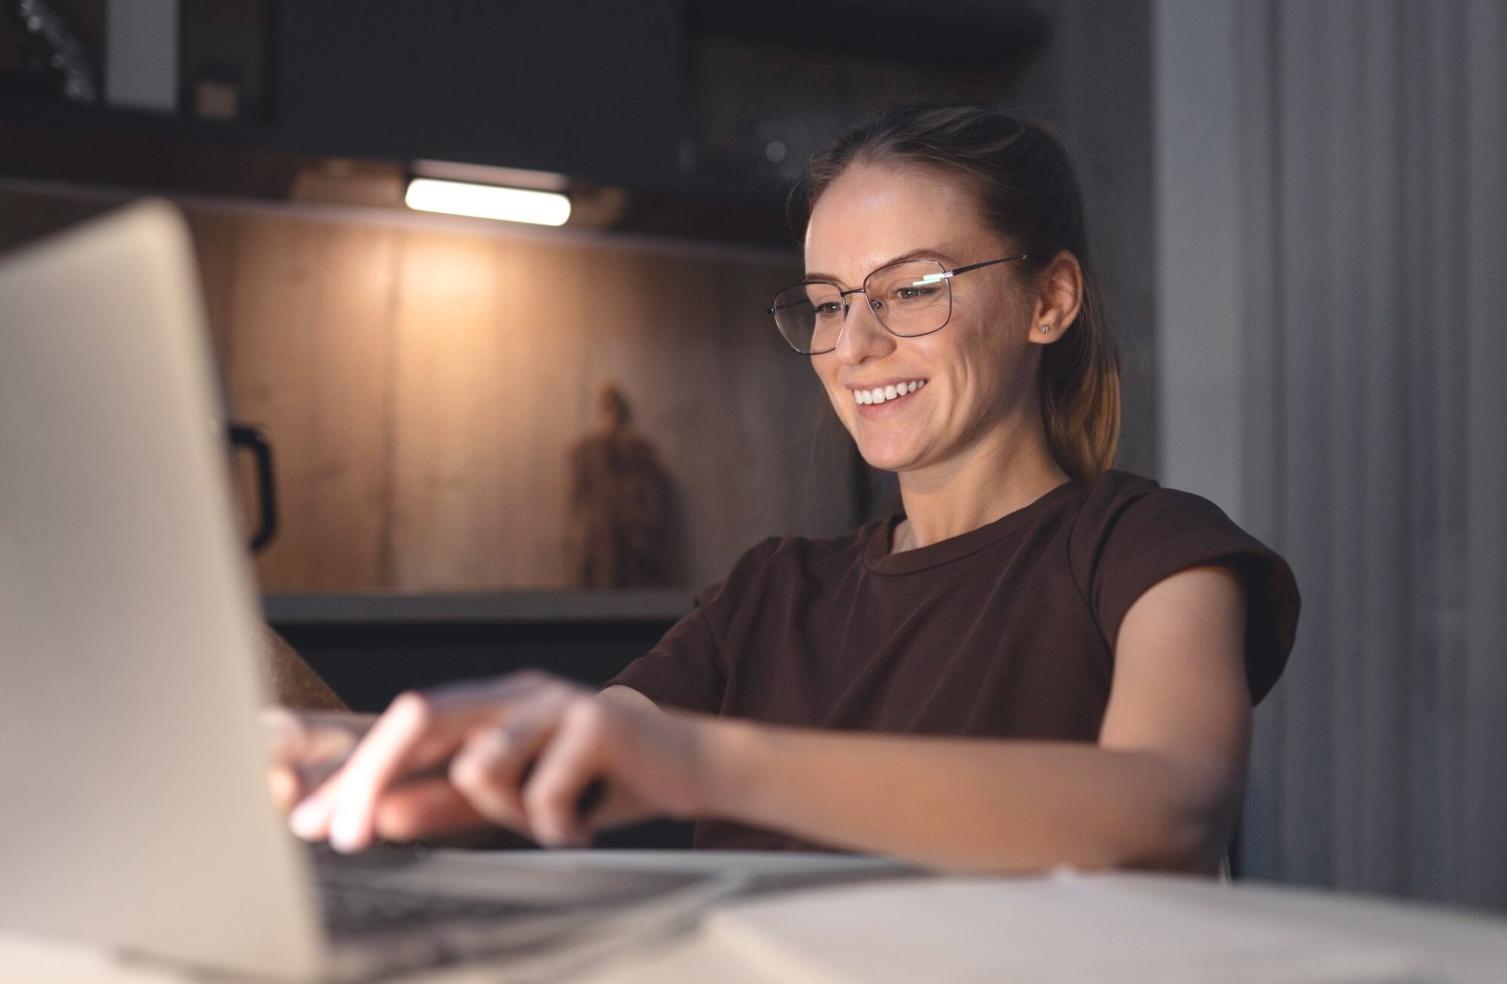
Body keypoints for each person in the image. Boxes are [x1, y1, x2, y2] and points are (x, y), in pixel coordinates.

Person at [278, 103, 1299, 875]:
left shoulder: (1153, 551)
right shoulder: (772, 591)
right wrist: (314, 742)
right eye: (824, 304)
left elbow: (1165, 807)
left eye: (912, 290)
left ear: (1050, 298)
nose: (853, 345)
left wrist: (700, 760)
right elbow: (552, 754)